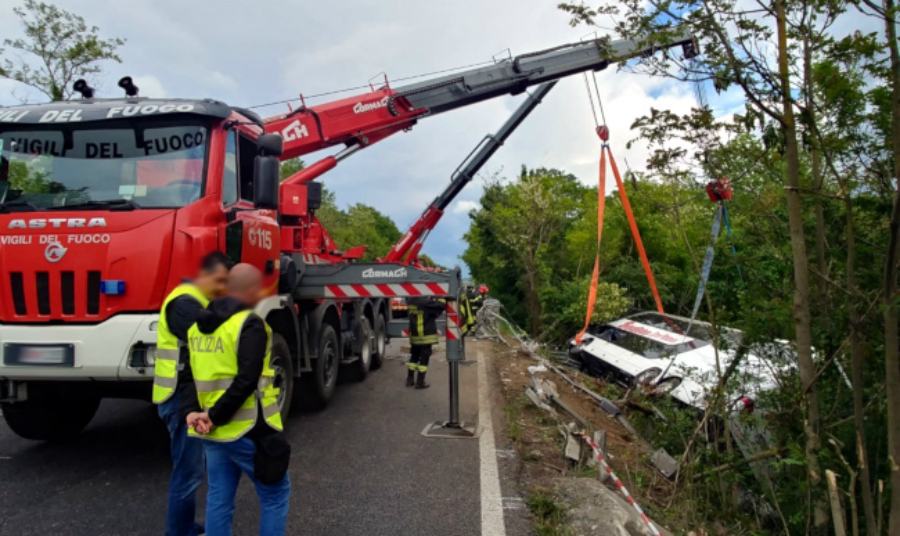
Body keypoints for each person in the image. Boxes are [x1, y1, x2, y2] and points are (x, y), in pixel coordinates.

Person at [186, 263, 291, 536]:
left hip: (213, 431)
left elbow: (189, 375)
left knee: (219, 497)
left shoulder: (197, 327)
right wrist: (215, 416)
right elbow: (246, 380)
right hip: (248, 428)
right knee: (275, 494)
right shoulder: (248, 324)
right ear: (252, 290)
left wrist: (194, 413)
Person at [154, 252, 230, 536]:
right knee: (188, 473)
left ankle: (184, 526)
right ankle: (179, 532)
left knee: (191, 469)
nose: (223, 287)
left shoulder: (194, 300)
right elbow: (211, 341)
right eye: (220, 280)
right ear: (205, 275)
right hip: (177, 398)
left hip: (181, 395)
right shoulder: (185, 303)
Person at [406, 296, 446, 389]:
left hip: (415, 335)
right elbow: (440, 306)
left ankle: (409, 379)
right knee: (424, 359)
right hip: (425, 335)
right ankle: (420, 382)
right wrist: (442, 297)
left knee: (414, 356)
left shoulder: (411, 301)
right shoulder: (425, 303)